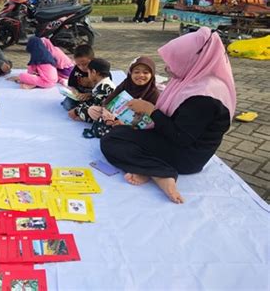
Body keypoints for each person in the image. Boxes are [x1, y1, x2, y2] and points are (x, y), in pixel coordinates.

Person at [100, 27, 236, 204]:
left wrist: (150, 110)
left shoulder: (205, 96)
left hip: (187, 156)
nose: (169, 68)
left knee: (111, 142)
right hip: (173, 140)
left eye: (175, 62)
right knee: (116, 134)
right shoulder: (193, 78)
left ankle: (160, 173)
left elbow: (181, 138)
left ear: (193, 60)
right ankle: (151, 169)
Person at [85, 56, 160, 138]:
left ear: (152, 75)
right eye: (136, 72)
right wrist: (108, 116)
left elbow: (152, 120)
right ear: (130, 73)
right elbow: (109, 100)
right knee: (93, 110)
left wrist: (126, 123)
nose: (141, 75)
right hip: (116, 116)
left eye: (146, 73)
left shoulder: (153, 93)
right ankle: (112, 127)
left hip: (135, 124)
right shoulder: (126, 84)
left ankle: (115, 130)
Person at [61, 45, 95, 111]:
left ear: (93, 60)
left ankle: (84, 109)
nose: (82, 67)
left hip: (94, 95)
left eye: (85, 64)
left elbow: (105, 89)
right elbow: (71, 85)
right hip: (79, 96)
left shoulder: (99, 69)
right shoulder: (76, 70)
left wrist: (90, 94)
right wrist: (76, 93)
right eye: (78, 65)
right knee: (68, 105)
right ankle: (83, 108)